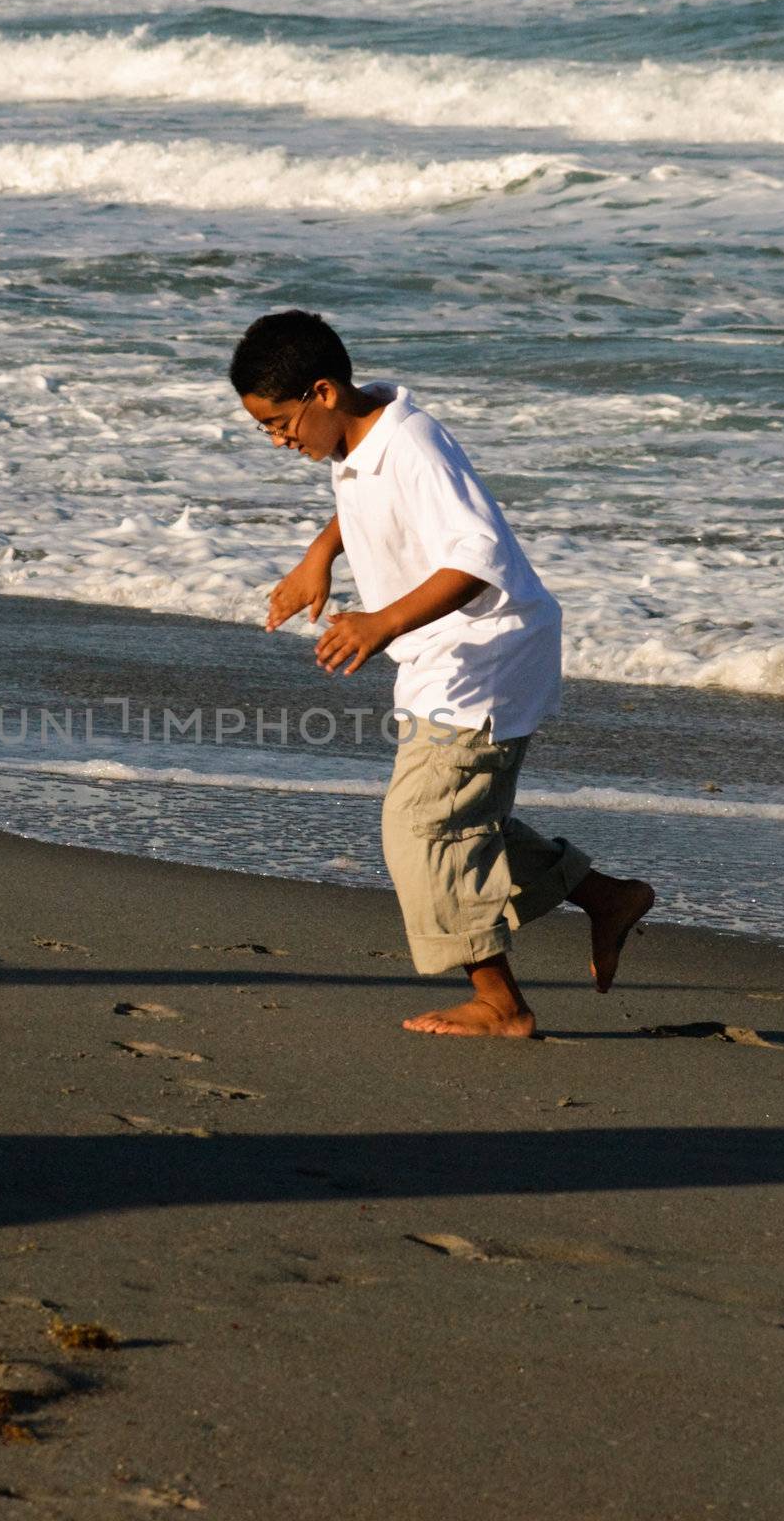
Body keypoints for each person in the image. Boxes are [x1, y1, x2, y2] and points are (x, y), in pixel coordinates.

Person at [229, 309, 654, 1037]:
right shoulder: (361, 441)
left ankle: (501, 1004)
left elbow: (477, 556)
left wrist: (380, 622)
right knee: (462, 815)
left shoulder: (414, 447)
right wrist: (320, 555)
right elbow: (361, 497)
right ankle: (606, 897)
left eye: (278, 423)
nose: (277, 440)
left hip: (485, 656)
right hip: (451, 656)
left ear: (323, 392)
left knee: (422, 825)